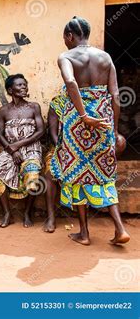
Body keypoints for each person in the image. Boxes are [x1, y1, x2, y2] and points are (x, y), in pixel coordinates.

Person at [50, 16, 130, 245]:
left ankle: (84, 234)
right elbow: (115, 95)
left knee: (76, 176)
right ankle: (120, 229)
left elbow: (71, 82)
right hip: (103, 120)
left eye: (64, 38)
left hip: (78, 122)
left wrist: (84, 115)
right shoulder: (105, 57)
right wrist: (114, 131)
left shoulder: (66, 56)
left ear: (69, 36)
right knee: (104, 175)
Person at [0, 74, 44, 228]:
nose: (23, 87)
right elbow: (0, 134)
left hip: (31, 148)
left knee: (32, 172)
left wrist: (18, 146)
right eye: (19, 85)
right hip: (10, 149)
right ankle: (7, 213)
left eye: (25, 85)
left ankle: (28, 212)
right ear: (10, 90)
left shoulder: (34, 107)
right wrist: (12, 151)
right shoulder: (4, 110)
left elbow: (40, 131)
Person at [42, 93, 66, 233]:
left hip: (83, 149)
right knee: (50, 172)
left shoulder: (89, 101)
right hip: (59, 147)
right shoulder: (57, 103)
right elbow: (53, 133)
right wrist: (63, 150)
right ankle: (51, 217)